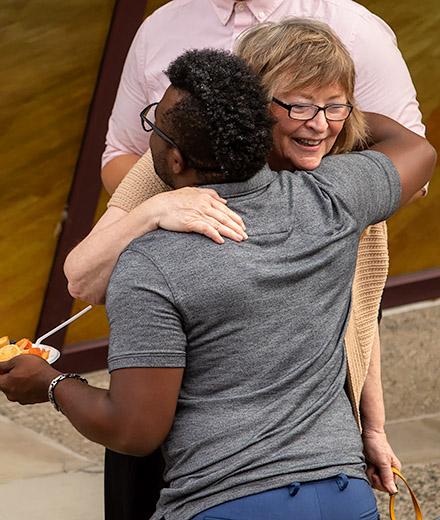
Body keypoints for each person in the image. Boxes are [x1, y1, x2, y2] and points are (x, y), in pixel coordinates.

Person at [0, 49, 435, 520]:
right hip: (343, 496)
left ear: (175, 158)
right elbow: (418, 149)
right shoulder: (333, 200)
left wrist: (49, 383)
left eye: (155, 126)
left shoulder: (151, 266)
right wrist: (320, 111)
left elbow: (134, 429)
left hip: (226, 502)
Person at [102, 0, 426, 195]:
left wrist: (301, 214)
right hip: (184, 276)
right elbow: (120, 154)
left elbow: (410, 165)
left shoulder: (355, 28)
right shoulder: (156, 29)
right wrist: (173, 209)